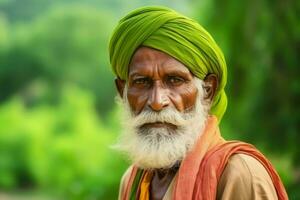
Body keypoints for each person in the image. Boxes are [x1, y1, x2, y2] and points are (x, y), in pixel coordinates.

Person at [108, 6, 288, 200]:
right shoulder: (132, 181)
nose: (157, 101)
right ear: (123, 91)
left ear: (207, 91)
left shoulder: (239, 174)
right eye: (142, 82)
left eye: (175, 80)